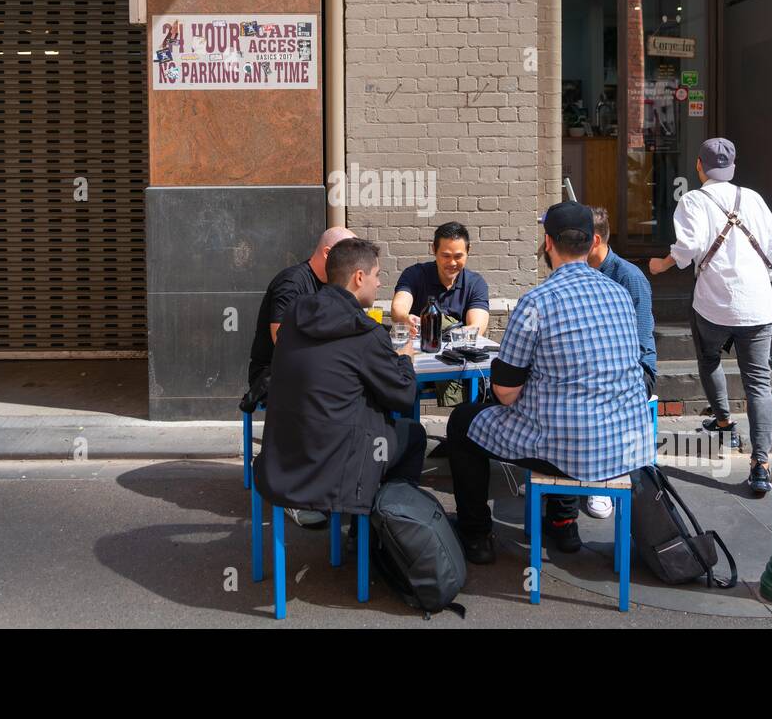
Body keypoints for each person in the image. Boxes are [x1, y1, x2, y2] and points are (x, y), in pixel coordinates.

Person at [445, 201, 655, 564]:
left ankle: (476, 535)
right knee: (564, 417)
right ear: (593, 243)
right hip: (624, 448)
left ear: (547, 243)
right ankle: (562, 523)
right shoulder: (621, 294)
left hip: (565, 451)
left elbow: (505, 392)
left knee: (462, 422)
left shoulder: (536, 303)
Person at [648, 138, 772, 497]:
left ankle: (724, 420)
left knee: (709, 358)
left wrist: (660, 265)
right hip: (756, 303)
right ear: (733, 167)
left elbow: (688, 248)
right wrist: (762, 279)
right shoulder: (753, 198)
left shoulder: (694, 199)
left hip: (713, 303)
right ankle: (760, 465)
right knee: (758, 382)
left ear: (698, 166)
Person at [253, 238, 426, 523]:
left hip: (281, 463)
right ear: (359, 277)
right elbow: (403, 395)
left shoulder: (295, 317)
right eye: (377, 275)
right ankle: (382, 532)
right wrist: (405, 358)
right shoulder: (366, 332)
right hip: (335, 472)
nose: (379, 283)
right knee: (414, 435)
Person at [244, 225, 355, 528]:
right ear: (328, 253)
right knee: (317, 400)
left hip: (316, 371)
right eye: (349, 255)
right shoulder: (292, 282)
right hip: (274, 373)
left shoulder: (337, 286)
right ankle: (291, 492)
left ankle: (342, 478)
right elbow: (282, 339)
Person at [583, 205, 657, 519]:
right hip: (590, 367)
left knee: (598, 393)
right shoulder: (579, 272)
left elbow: (638, 347)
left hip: (635, 370)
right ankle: (554, 469)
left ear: (595, 240)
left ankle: (603, 479)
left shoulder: (629, 278)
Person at [391, 221, 491, 409]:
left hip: (454, 363)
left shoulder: (475, 283)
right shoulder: (415, 274)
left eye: (458, 256)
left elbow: (477, 326)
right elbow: (397, 308)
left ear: (468, 251)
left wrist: (448, 333)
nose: (452, 263)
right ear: (433, 250)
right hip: (418, 362)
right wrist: (406, 318)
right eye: (445, 255)